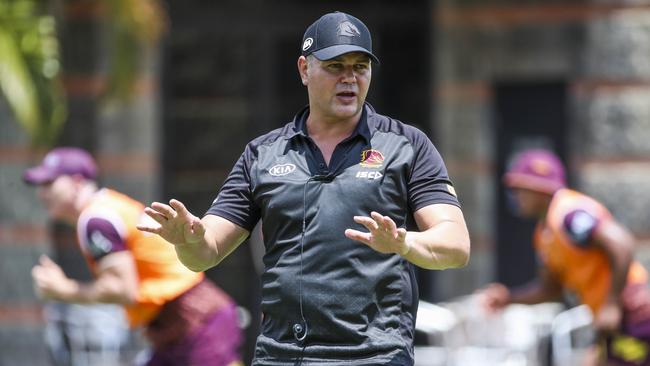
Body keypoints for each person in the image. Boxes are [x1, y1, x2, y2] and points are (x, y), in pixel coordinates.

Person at [138, 11, 470, 366]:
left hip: (375, 354)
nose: (350, 78)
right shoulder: (262, 154)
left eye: (360, 67)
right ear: (303, 69)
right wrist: (187, 240)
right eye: (335, 66)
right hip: (282, 355)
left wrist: (405, 243)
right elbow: (206, 252)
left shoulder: (407, 145)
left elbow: (455, 245)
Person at [23, 147, 243, 366]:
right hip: (182, 323)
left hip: (195, 323)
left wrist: (65, 290)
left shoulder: (95, 219)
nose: (42, 193)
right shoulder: (107, 206)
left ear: (77, 182)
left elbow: (121, 289)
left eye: (49, 183)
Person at [479, 148, 650, 366]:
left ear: (539, 188)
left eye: (520, 188)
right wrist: (509, 298)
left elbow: (621, 244)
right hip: (609, 318)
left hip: (631, 311)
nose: (515, 196)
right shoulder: (544, 233)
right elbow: (550, 289)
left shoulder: (569, 215)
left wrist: (612, 304)